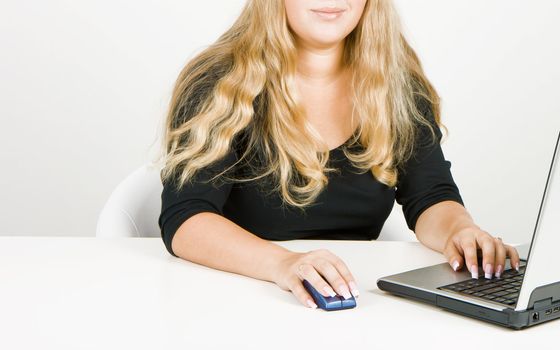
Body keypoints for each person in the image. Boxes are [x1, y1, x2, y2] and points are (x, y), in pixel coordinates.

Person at [159, 0, 520, 309]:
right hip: (236, 296)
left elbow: (430, 197)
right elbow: (186, 218)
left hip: (350, 302)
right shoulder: (219, 81)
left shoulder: (398, 84)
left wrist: (461, 231)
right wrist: (284, 265)